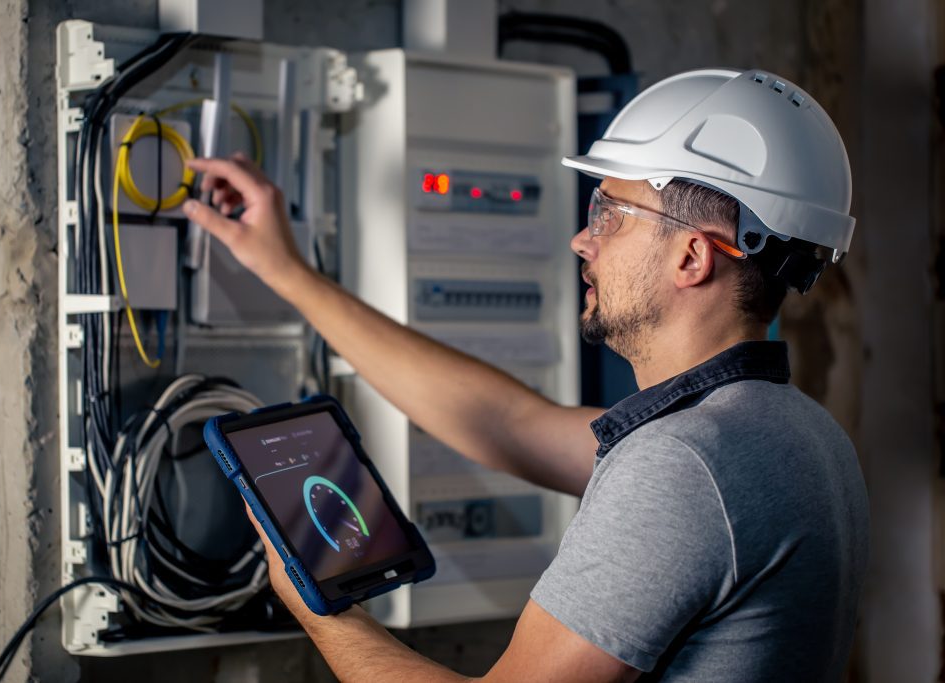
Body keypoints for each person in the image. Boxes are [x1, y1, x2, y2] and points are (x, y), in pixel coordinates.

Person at [181, 68, 869, 681]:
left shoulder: (682, 466)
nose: (582, 238)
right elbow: (507, 423)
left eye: (611, 214)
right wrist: (289, 274)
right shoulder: (792, 432)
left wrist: (324, 610)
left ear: (691, 257)